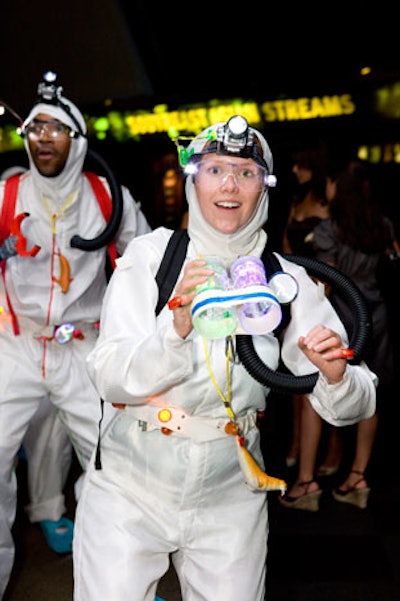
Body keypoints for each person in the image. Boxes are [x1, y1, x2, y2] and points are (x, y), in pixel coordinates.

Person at [73, 115, 377, 601]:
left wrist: (336, 376)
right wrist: (174, 330)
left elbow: (357, 403)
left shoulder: (288, 281)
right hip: (130, 487)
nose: (230, 185)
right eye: (215, 170)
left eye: (246, 172)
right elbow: (109, 376)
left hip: (231, 493)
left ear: (265, 186)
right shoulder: (152, 258)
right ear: (194, 180)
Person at [0, 71, 151, 599]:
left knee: (113, 465)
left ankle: (126, 583)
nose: (42, 136)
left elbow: (149, 260)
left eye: (55, 128)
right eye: (34, 127)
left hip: (83, 346)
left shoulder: (109, 198)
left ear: (77, 139)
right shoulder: (7, 193)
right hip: (14, 346)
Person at [279, 160, 397, 511]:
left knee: (315, 393)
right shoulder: (383, 224)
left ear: (338, 189)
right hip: (376, 315)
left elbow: (326, 283)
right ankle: (358, 475)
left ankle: (306, 482)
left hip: (341, 319)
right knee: (369, 390)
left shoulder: (330, 230)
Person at [0, 165, 76, 556]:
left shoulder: (62, 225)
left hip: (54, 349)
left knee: (52, 434)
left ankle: (48, 509)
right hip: (9, 349)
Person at [281, 147, 333, 472]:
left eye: (302, 164)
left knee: (324, 378)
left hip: (323, 294)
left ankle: (331, 453)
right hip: (294, 292)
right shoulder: (296, 201)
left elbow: (332, 256)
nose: (296, 170)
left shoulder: (329, 207)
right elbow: (286, 246)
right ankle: (298, 444)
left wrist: (319, 292)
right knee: (293, 375)